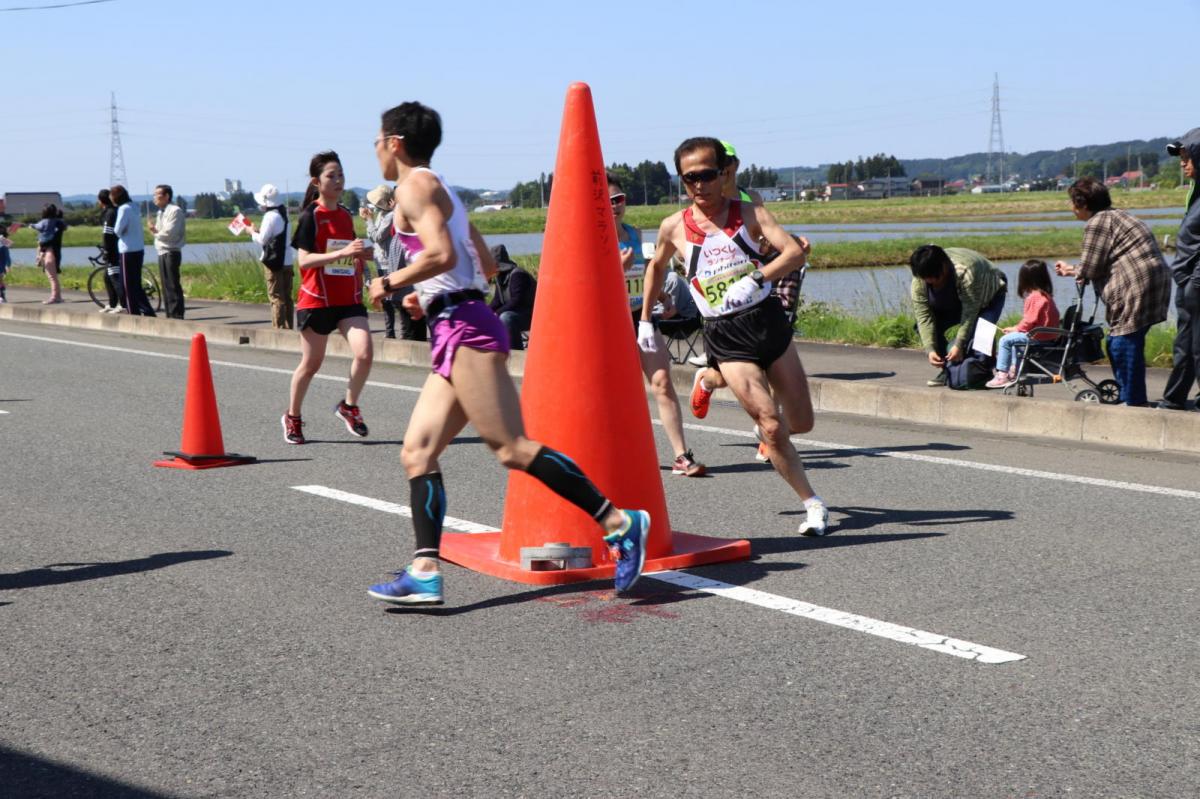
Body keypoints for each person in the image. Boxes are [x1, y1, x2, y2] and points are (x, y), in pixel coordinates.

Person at [365, 101, 650, 604]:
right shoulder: (441, 187)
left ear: (395, 142)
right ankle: (425, 569)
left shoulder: (415, 185)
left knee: (510, 447)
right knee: (417, 452)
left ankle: (620, 522)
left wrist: (390, 281)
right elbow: (479, 260)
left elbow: (444, 254)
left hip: (465, 329)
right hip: (454, 323)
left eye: (376, 140)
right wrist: (427, 293)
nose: (375, 151)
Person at [640, 136, 829, 535]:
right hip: (726, 334)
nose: (700, 185)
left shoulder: (749, 211)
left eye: (708, 175)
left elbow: (794, 252)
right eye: (690, 178)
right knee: (772, 425)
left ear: (724, 173)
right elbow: (656, 267)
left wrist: (759, 277)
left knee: (802, 422)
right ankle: (812, 504)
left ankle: (709, 378)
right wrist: (645, 319)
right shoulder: (673, 227)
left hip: (766, 320)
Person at [689, 140, 807, 464]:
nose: (721, 173)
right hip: (725, 305)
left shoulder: (750, 200)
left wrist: (792, 245)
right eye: (715, 167)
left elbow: (765, 240)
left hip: (759, 289)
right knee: (747, 369)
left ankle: (764, 430)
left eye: (727, 166)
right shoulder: (702, 203)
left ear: (734, 167)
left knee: (769, 360)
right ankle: (716, 385)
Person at [610, 171, 705, 476]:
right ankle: (610, 453)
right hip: (608, 323)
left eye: (619, 199)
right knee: (617, 394)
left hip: (642, 319)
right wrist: (615, 267)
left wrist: (663, 296)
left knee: (662, 382)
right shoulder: (590, 239)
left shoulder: (634, 235)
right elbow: (585, 286)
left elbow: (646, 273)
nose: (614, 206)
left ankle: (681, 455)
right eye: (607, 200)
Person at [282, 150, 375, 444]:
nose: (338, 180)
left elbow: (349, 258)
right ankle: (293, 417)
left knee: (365, 352)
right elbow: (305, 262)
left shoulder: (345, 215)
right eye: (330, 175)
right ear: (316, 181)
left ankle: (349, 406)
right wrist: (343, 252)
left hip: (347, 298)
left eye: (341, 175)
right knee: (311, 365)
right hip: (317, 299)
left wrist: (362, 258)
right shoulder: (311, 215)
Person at [1054, 178, 1171, 407]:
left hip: (1133, 285)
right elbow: (1095, 265)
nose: (1071, 208)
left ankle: (1133, 402)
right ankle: (1131, 397)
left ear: (1083, 204)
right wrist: (1073, 270)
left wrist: (1074, 270)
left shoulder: (1097, 222)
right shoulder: (1117, 215)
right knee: (1124, 340)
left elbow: (1091, 267)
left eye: (1072, 203)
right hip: (1155, 282)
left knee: (1122, 342)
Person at [909, 245, 1007, 387]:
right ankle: (949, 369)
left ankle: (982, 374)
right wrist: (930, 350)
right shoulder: (919, 280)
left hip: (989, 293)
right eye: (927, 279)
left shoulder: (965, 272)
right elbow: (924, 317)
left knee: (981, 334)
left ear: (944, 267)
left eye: (935, 278)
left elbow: (970, 313)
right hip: (956, 301)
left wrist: (959, 344)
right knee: (924, 329)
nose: (931, 282)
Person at [1158, 130, 1200, 411]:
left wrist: (1194, 282)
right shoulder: (1195, 192)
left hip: (1195, 284)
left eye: (1187, 158)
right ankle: (1173, 399)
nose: (1183, 164)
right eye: (1181, 158)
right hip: (1187, 283)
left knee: (1199, 347)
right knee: (1185, 346)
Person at [985, 259, 1060, 389]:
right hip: (1047, 336)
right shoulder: (1046, 295)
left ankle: (1002, 374)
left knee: (1004, 341)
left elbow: (1029, 321)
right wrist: (1016, 329)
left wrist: (1015, 329)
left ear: (1025, 279)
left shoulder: (1034, 297)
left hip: (1038, 337)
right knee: (1014, 341)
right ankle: (1014, 370)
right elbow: (1031, 322)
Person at [246, 183, 294, 330]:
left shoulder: (269, 216)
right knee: (287, 296)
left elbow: (262, 240)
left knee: (276, 297)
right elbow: (276, 236)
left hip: (273, 262)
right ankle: (289, 326)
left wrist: (252, 232)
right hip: (287, 260)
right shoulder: (284, 215)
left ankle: (278, 330)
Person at [111, 185, 156, 316]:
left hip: (127, 249)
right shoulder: (134, 206)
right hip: (139, 248)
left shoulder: (123, 209)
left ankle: (133, 312)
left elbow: (117, 230)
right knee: (136, 282)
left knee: (127, 284)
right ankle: (148, 311)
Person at [148, 184, 186, 319]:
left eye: (157, 194)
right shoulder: (160, 212)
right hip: (162, 251)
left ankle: (177, 313)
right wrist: (156, 232)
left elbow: (169, 233)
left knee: (173, 284)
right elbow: (160, 231)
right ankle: (169, 313)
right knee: (165, 285)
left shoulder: (175, 211)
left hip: (171, 250)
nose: (154, 198)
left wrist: (155, 232)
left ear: (166, 196)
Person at [488, 244, 534, 350]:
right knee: (494, 316)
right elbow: (497, 301)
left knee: (506, 317)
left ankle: (515, 350)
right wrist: (485, 312)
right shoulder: (500, 277)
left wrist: (496, 314)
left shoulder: (518, 275)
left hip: (530, 314)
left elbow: (516, 300)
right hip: (517, 313)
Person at [29, 204, 67, 304]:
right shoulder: (59, 223)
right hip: (56, 251)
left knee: (51, 276)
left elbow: (37, 226)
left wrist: (31, 225)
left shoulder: (44, 222)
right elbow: (64, 227)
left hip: (48, 252)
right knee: (54, 276)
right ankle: (58, 297)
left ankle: (54, 297)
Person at [97, 189, 123, 313]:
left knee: (114, 277)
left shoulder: (110, 213)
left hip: (113, 250)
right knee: (107, 277)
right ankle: (112, 304)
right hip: (115, 248)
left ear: (101, 201)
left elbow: (107, 235)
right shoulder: (115, 211)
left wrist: (106, 250)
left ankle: (123, 305)